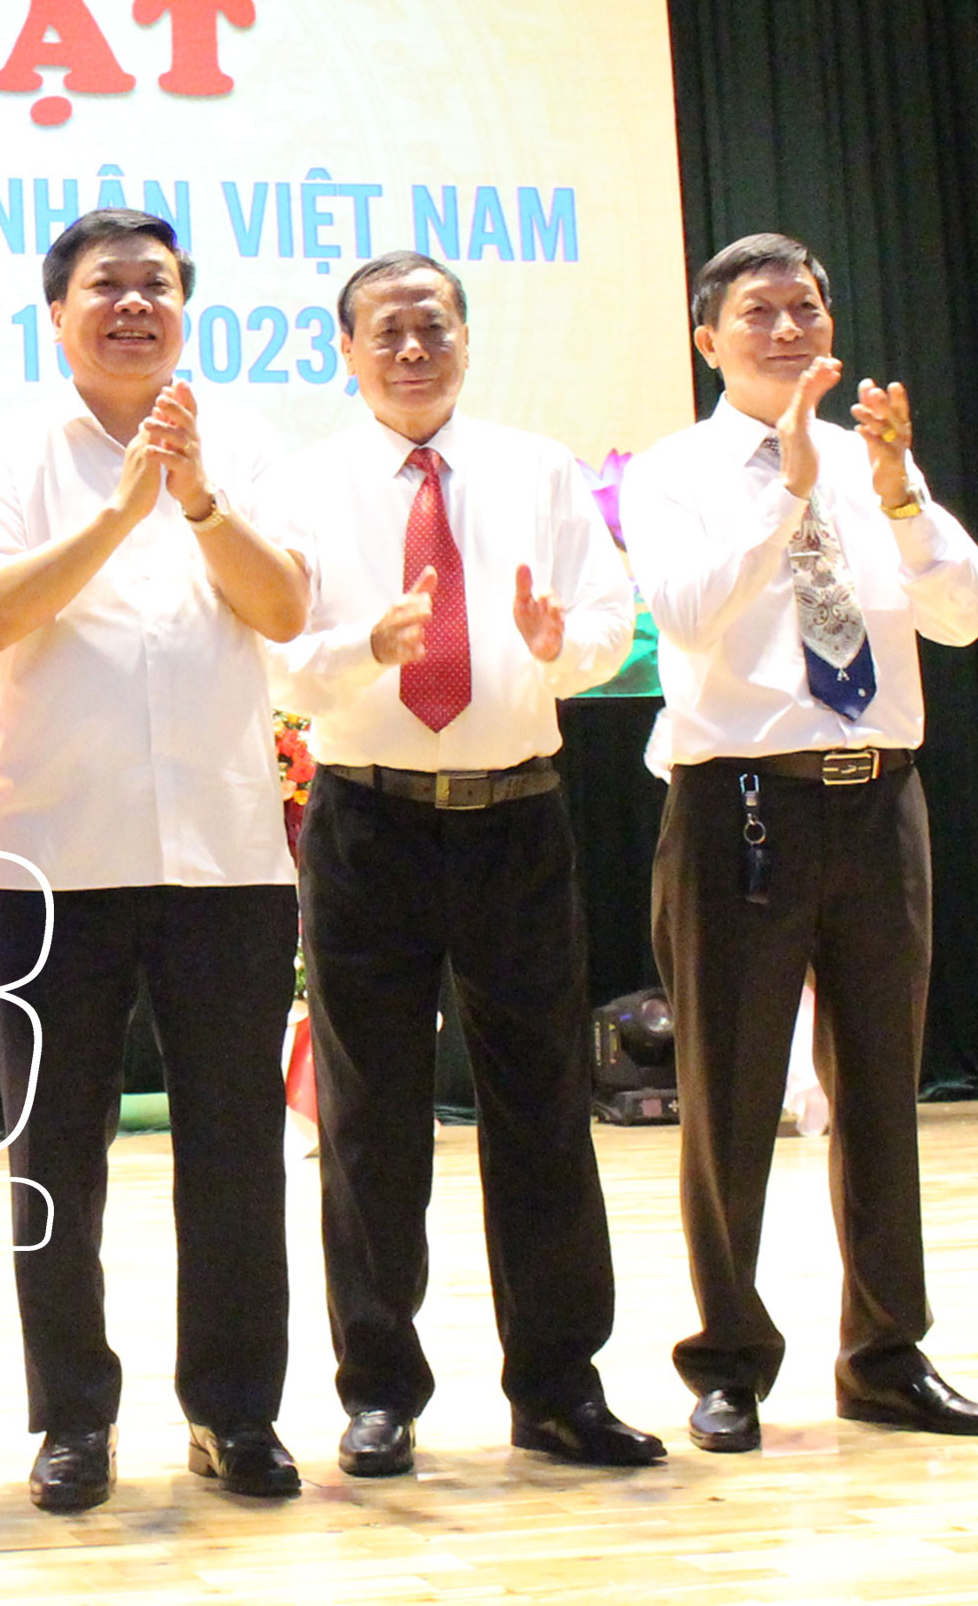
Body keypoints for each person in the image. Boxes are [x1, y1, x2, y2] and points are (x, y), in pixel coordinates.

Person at [264, 251, 660, 1476]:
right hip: (367, 823)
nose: (413, 349)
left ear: (467, 340)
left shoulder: (539, 470)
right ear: (345, 350)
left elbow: (606, 623)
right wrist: (361, 648)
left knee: (543, 1107)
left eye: (433, 326)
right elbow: (276, 657)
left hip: (516, 818)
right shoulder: (302, 484)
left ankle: (559, 1386)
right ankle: (379, 1389)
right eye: (387, 330)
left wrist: (560, 644)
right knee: (371, 1119)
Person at [0, 208, 314, 1510]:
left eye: (156, 284)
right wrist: (118, 516)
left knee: (237, 1149)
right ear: (58, 314)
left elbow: (284, 608)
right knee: (56, 1153)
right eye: (106, 285)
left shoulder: (245, 443)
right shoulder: (10, 452)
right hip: (58, 854)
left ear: (185, 307)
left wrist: (197, 497)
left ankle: (235, 1412)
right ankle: (73, 1418)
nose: (133, 304)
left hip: (226, 854)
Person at [621, 232, 978, 1454]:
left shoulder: (870, 457)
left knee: (882, 1088)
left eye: (805, 307)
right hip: (742, 803)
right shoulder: (673, 471)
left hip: (880, 800)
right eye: (758, 312)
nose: (787, 329)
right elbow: (685, 613)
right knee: (731, 1094)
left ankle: (886, 1355)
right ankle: (728, 1361)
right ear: (708, 340)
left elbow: (963, 615)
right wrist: (784, 488)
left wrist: (898, 494)